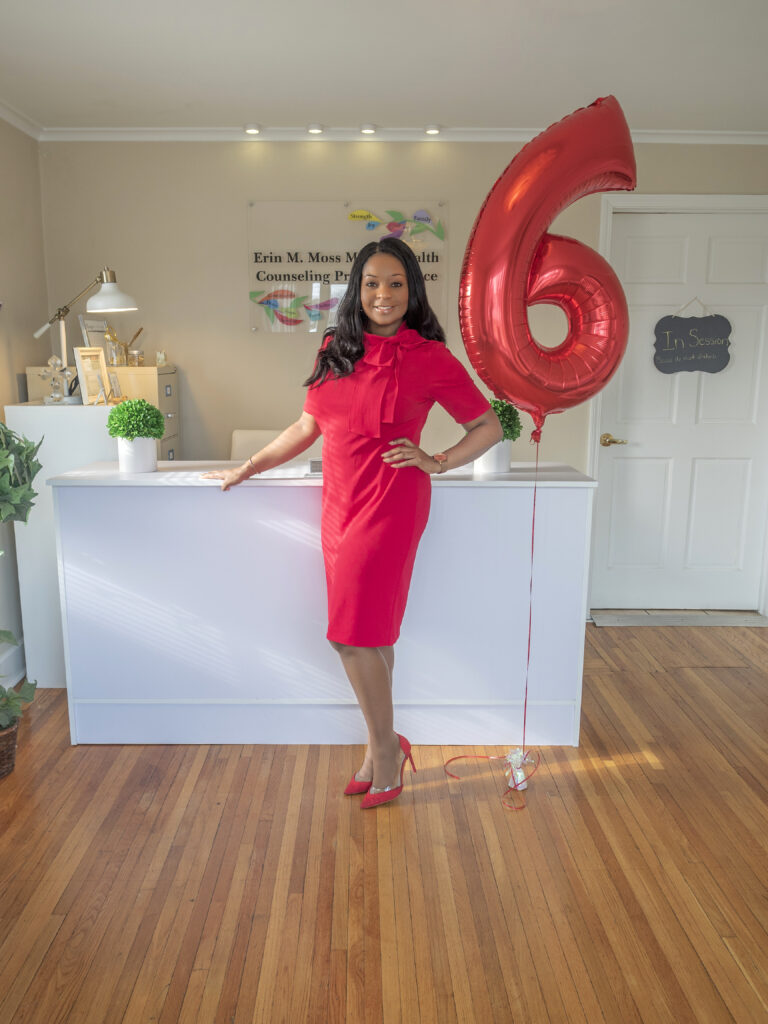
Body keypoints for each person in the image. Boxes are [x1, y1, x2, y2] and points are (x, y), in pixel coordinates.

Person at [203, 238, 502, 808]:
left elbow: (488, 426)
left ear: (411, 290)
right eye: (371, 284)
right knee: (373, 634)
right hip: (339, 505)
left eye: (395, 283)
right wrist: (248, 467)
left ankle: (386, 752)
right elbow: (304, 427)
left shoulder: (431, 357)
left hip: (392, 502)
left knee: (349, 636)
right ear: (356, 291)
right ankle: (377, 749)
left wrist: (436, 461)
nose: (383, 295)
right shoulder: (334, 348)